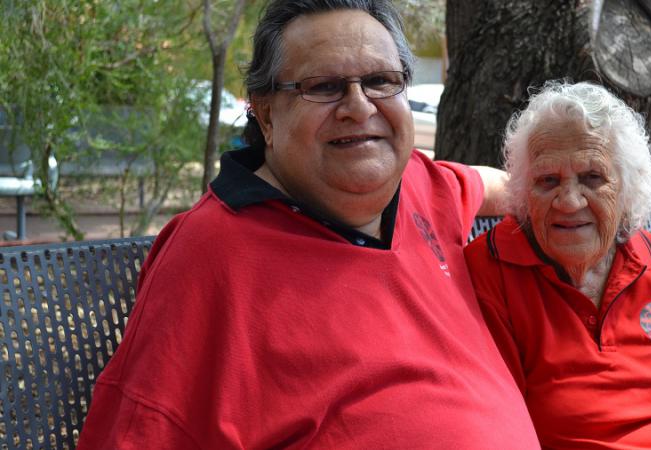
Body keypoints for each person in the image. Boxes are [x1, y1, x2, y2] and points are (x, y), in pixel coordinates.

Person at [76, 1, 540, 449]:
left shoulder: (420, 182)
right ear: (266, 112)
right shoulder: (210, 254)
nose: (359, 107)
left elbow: (496, 185)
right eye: (323, 86)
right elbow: (140, 430)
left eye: (381, 81)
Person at [464, 81, 651, 449]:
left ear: (627, 188)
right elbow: (492, 425)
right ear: (522, 191)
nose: (569, 201)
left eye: (592, 178)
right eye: (547, 180)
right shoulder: (490, 271)